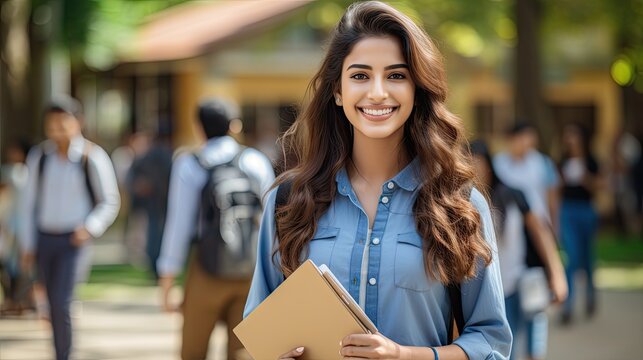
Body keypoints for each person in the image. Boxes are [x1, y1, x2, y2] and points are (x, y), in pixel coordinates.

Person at [244, 2, 512, 359]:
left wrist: (404, 355)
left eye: (396, 76)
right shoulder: (289, 201)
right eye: (360, 76)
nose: (377, 92)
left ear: (417, 90)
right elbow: (263, 330)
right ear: (337, 91)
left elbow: (491, 343)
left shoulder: (458, 204)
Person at [157, 98, 275, 360]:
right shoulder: (255, 161)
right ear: (235, 126)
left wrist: (167, 279)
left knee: (194, 350)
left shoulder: (190, 163)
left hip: (206, 269)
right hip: (249, 269)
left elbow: (179, 224)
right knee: (242, 351)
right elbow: (271, 222)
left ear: (199, 128)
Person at [19, 96, 121, 360]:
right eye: (51, 124)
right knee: (50, 304)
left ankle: (64, 355)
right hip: (44, 238)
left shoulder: (92, 157)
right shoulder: (40, 157)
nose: (57, 130)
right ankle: (58, 351)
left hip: (73, 241)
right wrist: (27, 244)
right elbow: (29, 204)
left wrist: (89, 228)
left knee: (63, 302)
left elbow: (110, 201)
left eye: (62, 123)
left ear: (78, 122)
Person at [471, 140, 567, 359]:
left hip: (520, 278)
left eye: (477, 163)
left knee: (533, 343)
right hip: (486, 290)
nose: (474, 170)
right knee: (503, 350)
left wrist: (556, 273)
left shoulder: (512, 195)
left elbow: (540, 233)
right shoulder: (459, 202)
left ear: (488, 165)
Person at [493, 122, 559, 360]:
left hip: (537, 233)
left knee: (536, 297)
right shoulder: (499, 163)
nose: (521, 142)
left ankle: (535, 351)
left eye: (525, 137)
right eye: (516, 138)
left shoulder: (542, 164)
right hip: (512, 234)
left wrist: (553, 230)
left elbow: (552, 198)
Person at [558, 123, 601, 324]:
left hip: (586, 211)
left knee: (588, 258)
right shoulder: (562, 161)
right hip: (567, 211)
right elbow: (555, 188)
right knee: (572, 257)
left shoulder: (591, 160)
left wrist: (586, 179)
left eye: (573, 134)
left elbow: (600, 185)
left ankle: (591, 298)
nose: (570, 139)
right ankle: (567, 307)